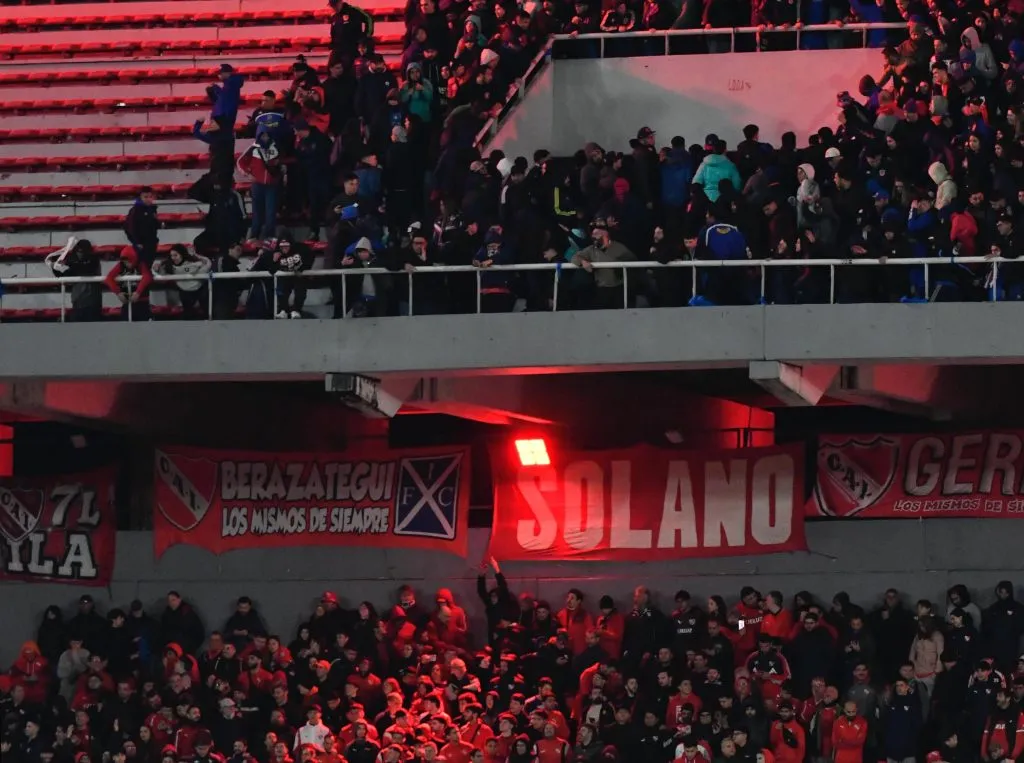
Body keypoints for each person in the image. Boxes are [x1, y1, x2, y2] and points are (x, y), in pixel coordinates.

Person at [45, 237, 102, 322]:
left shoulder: (94, 260)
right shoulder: (75, 265)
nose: (80, 254)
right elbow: (63, 277)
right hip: (78, 303)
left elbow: (86, 268)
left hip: (93, 303)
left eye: (81, 251)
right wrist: (53, 267)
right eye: (78, 251)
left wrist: (67, 262)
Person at [157, 244, 212, 319]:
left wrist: (197, 256)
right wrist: (158, 268)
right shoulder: (168, 265)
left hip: (200, 290)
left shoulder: (195, 263)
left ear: (182, 254)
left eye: (175, 255)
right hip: (184, 292)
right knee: (187, 315)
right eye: (171, 255)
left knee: (206, 311)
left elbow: (207, 265)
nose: (173, 258)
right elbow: (160, 275)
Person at [104, 246, 154, 321]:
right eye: (125, 262)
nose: (127, 264)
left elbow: (147, 276)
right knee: (126, 327)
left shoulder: (141, 263)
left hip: (142, 302)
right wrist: (118, 293)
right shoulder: (121, 265)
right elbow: (109, 278)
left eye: (128, 261)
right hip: (127, 302)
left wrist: (138, 292)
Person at [124, 187, 159, 267]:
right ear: (140, 197)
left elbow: (154, 226)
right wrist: (136, 242)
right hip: (141, 245)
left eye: (150, 197)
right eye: (146, 197)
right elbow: (129, 228)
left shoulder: (152, 210)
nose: (148, 199)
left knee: (148, 266)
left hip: (151, 243)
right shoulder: (135, 210)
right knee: (142, 267)